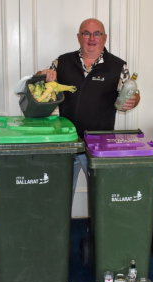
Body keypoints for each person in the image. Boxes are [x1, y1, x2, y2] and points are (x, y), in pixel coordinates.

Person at [40, 18, 140, 198]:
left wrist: (133, 100)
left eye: (97, 34)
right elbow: (40, 80)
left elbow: (132, 93)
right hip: (67, 142)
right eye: (86, 33)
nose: (91, 38)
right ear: (79, 37)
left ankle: (98, 227)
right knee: (59, 194)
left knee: (100, 195)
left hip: (99, 145)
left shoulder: (118, 66)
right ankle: (61, 226)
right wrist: (42, 75)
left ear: (105, 38)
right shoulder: (62, 61)